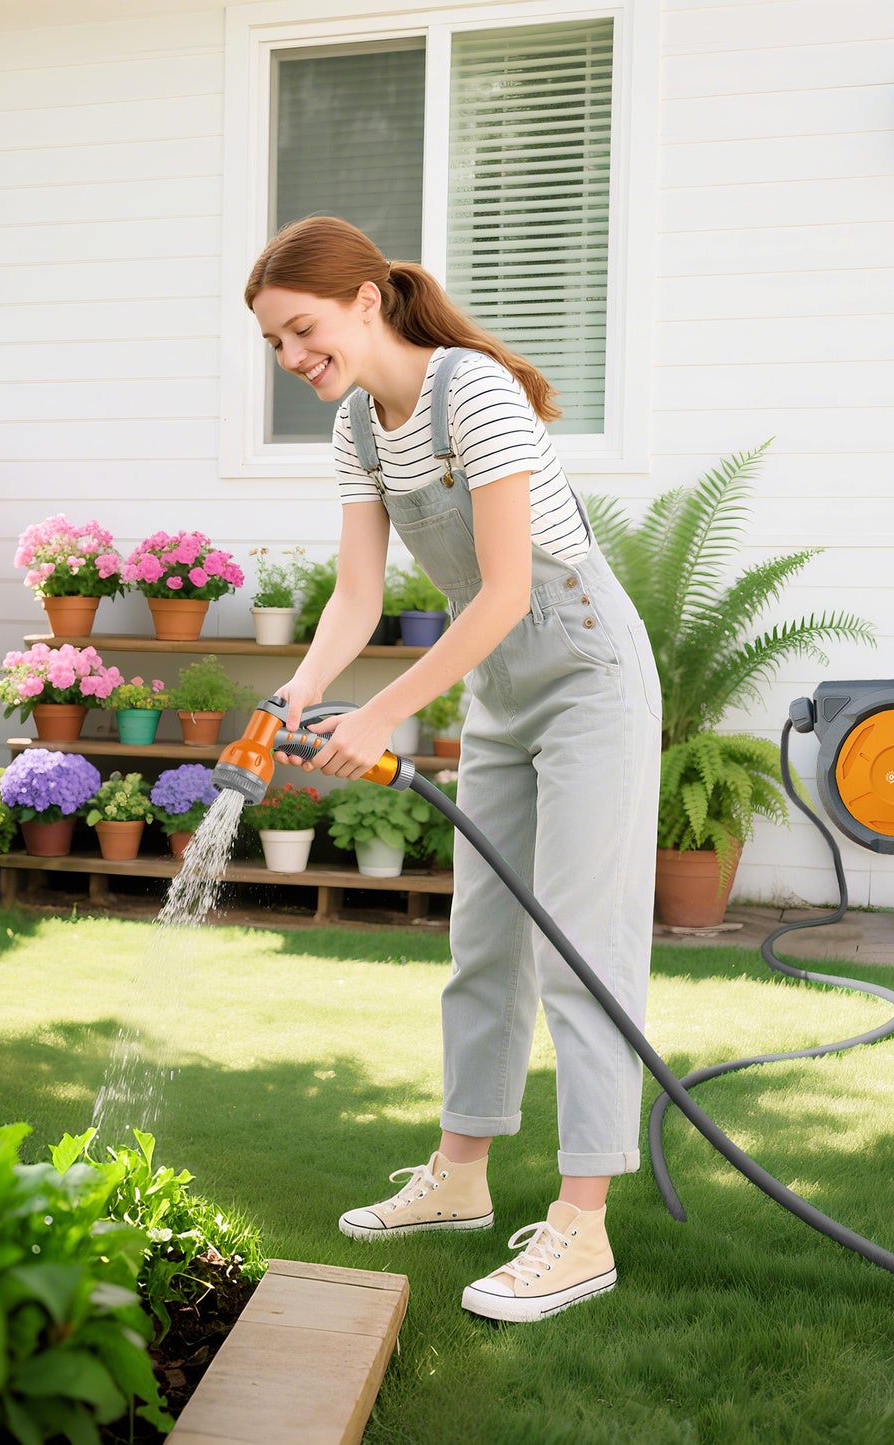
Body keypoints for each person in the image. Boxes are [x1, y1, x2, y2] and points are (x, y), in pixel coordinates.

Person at [245, 216, 661, 1325]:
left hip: (583, 675)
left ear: (364, 302)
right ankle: (460, 1174)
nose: (292, 357)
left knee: (578, 940)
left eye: (302, 329)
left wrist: (379, 711)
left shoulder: (469, 391)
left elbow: (507, 590)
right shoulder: (356, 428)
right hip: (500, 694)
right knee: (480, 937)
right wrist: (298, 689)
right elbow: (357, 595)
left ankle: (581, 1225)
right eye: (276, 343)